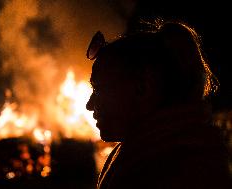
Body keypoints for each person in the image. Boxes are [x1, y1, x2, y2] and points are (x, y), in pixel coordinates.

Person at [86, 19, 231, 189]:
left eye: (99, 90)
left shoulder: (174, 170)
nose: (89, 105)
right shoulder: (158, 153)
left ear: (142, 87)